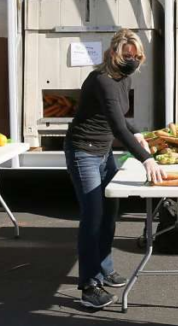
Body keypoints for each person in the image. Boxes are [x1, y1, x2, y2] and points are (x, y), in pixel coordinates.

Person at [65, 29, 165, 310]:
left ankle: (104, 267)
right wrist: (146, 158)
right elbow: (118, 125)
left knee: (110, 211)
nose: (131, 60)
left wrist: (141, 133)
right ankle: (89, 284)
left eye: (136, 56)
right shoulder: (102, 81)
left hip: (103, 151)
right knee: (93, 216)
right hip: (82, 151)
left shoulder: (123, 78)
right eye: (126, 55)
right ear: (113, 53)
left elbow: (120, 118)